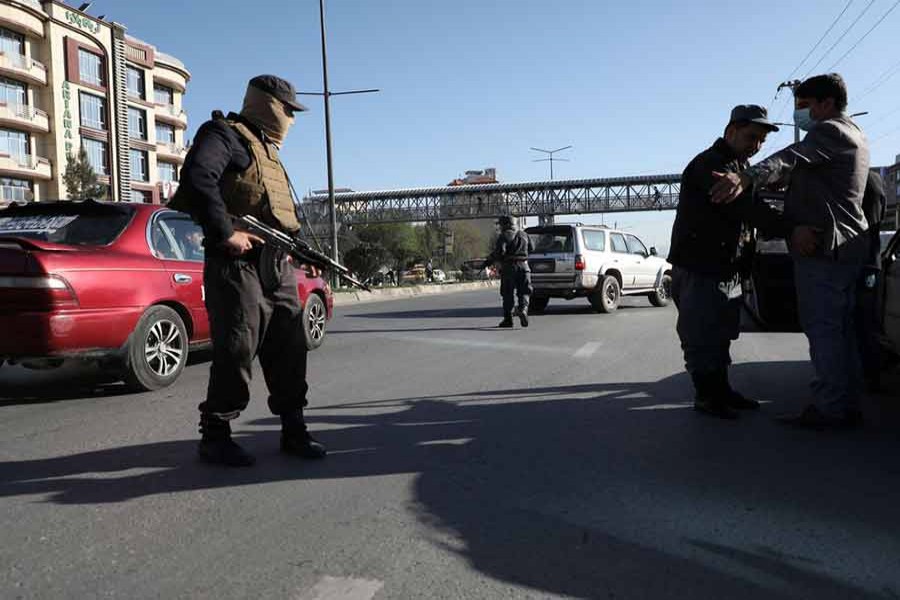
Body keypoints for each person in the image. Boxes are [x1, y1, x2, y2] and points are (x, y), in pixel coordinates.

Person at [167, 74, 327, 466]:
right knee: (237, 347)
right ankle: (215, 435)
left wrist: (300, 253)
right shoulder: (224, 134)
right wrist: (225, 232)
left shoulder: (267, 151)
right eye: (287, 110)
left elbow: (275, 212)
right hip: (237, 265)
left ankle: (294, 430)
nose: (291, 119)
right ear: (267, 104)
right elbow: (198, 179)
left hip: (277, 265)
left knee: (290, 347)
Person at [711, 74, 870, 430]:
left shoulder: (831, 131)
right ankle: (845, 403)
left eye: (805, 106)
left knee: (824, 329)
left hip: (825, 247)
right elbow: (813, 176)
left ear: (826, 103)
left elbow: (791, 157)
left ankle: (831, 409)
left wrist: (747, 177)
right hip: (845, 245)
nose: (800, 114)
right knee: (841, 330)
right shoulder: (854, 133)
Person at [669, 105, 790, 419]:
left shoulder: (739, 167)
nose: (757, 145)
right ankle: (707, 396)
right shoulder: (712, 166)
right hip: (701, 267)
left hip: (726, 268)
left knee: (720, 334)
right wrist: (794, 227)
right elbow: (749, 209)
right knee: (701, 335)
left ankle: (721, 391)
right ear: (731, 131)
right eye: (752, 137)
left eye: (762, 140)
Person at [857, 170, 886, 392]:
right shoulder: (875, 179)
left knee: (862, 321)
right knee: (868, 320)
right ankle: (870, 374)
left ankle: (868, 374)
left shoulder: (860, 179)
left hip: (861, 261)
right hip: (871, 261)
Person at [485, 215, 533, 328]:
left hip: (509, 267)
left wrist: (489, 261)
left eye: (501, 225)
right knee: (524, 291)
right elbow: (532, 248)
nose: (500, 227)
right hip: (524, 267)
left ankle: (508, 319)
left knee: (507, 294)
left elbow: (500, 252)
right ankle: (523, 310)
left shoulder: (504, 236)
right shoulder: (524, 235)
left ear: (506, 224)